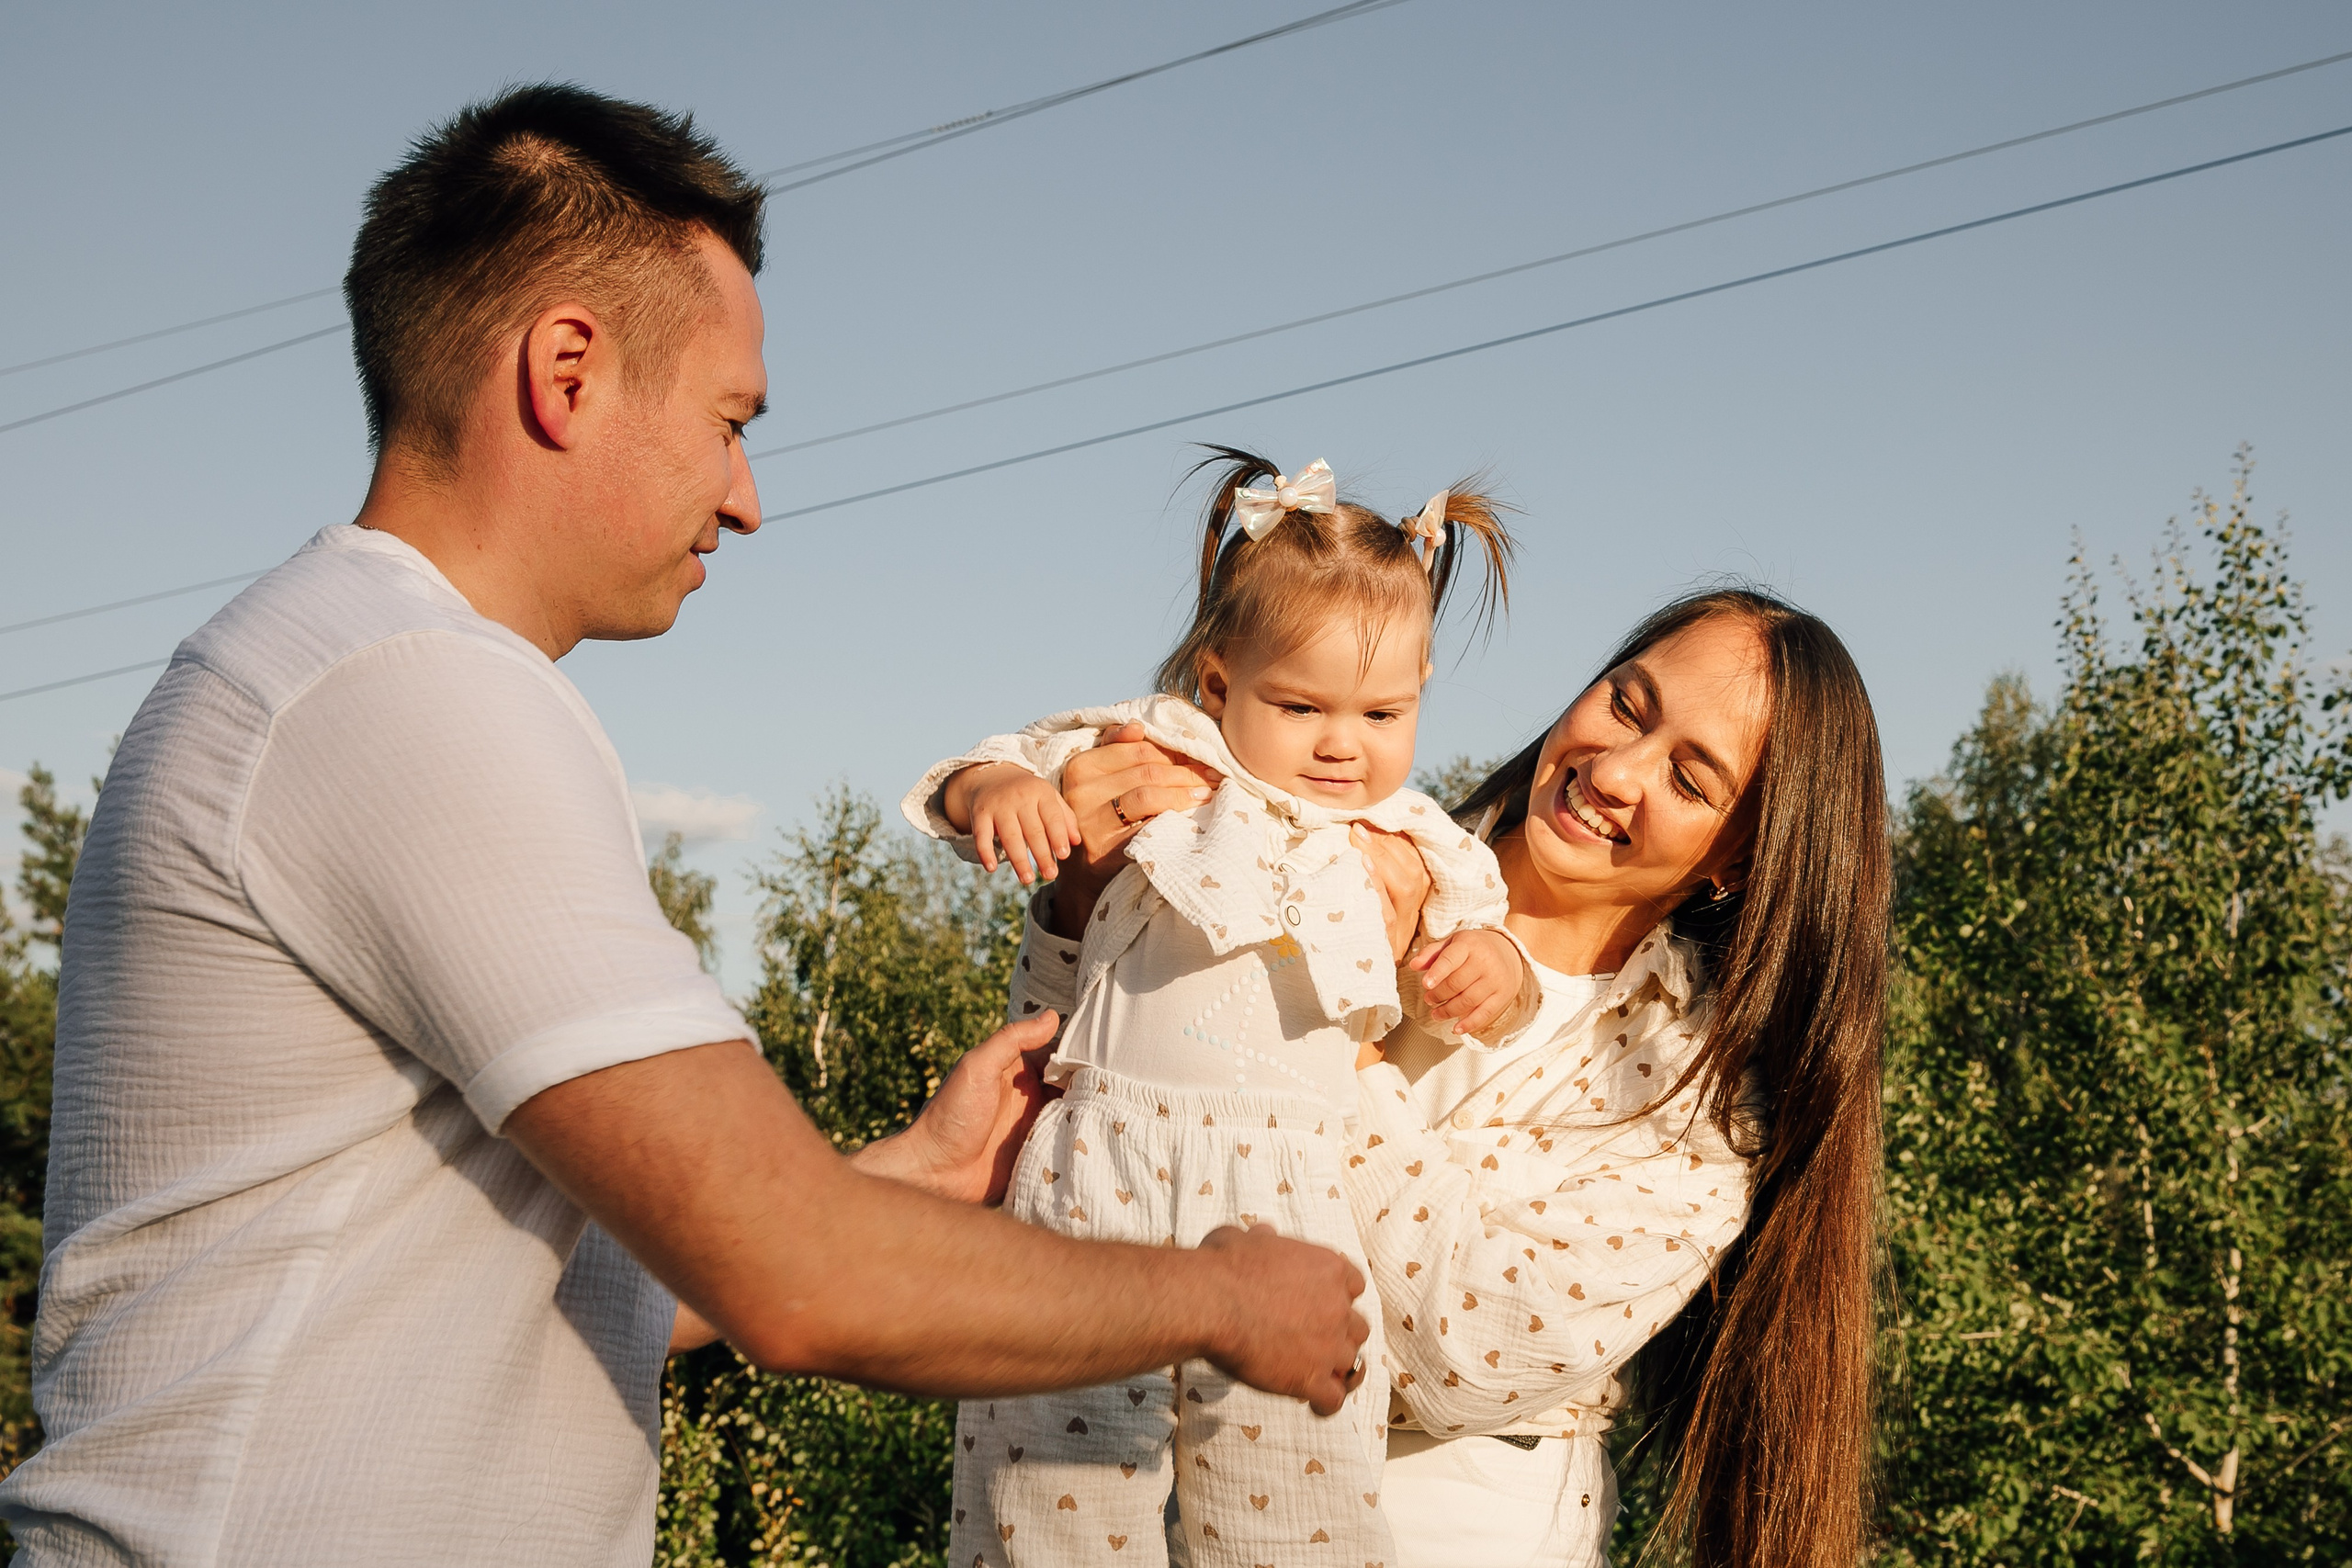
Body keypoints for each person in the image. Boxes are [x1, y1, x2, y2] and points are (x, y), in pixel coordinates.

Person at [0, 86, 1368, 1567]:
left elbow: (578, 1294)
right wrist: (1228, 1292)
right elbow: (800, 1281)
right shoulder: (408, 688)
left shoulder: (337, 666)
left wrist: (911, 1170)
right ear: (567, 371)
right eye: (729, 422)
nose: (748, 497)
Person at [1024, 589, 1889, 1568]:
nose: (1613, 770)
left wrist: (1338, 1032)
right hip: (1162, 1503)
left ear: (1739, 857)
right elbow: (1060, 1158)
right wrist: (1083, 907)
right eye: (1625, 705)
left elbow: (1458, 1355)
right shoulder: (1316, 843)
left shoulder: (1694, 1102)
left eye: (1690, 781)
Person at [899, 449, 1529, 1568]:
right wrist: (999, 790)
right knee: (1049, 1503)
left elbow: (1492, 949)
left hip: (1293, 1200)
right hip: (1102, 1179)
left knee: (1292, 1512)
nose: (1344, 743)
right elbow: (986, 767)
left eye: (1383, 712)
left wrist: (1492, 967)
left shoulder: (1413, 840)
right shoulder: (1159, 755)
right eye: (1301, 705)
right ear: (1216, 683)